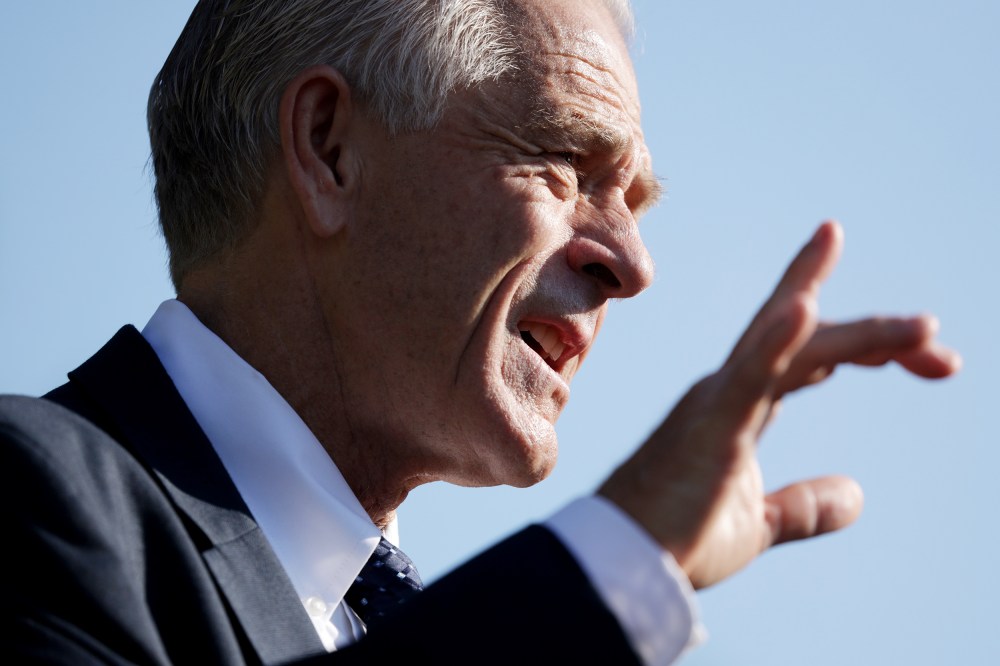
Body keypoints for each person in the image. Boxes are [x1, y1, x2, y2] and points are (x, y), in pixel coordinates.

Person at [1, 0, 961, 664]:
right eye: (562, 162)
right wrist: (619, 556)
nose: (631, 262)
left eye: (635, 201)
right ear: (330, 150)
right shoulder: (33, 499)